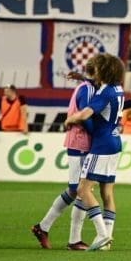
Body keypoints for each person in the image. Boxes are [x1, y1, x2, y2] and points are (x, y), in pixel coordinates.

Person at [63, 53, 127, 252]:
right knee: (107, 192)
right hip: (115, 142)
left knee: (83, 190)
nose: (96, 71)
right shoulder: (118, 89)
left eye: (98, 68)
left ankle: (102, 235)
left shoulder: (105, 92)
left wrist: (70, 119)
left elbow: (86, 113)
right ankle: (106, 241)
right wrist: (83, 79)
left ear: (104, 70)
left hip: (102, 145)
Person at [32, 63, 98, 249]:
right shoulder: (88, 89)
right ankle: (73, 240)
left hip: (82, 142)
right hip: (80, 142)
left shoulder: (89, 86)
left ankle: (43, 227)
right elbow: (85, 117)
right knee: (81, 189)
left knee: (75, 190)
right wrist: (98, 134)